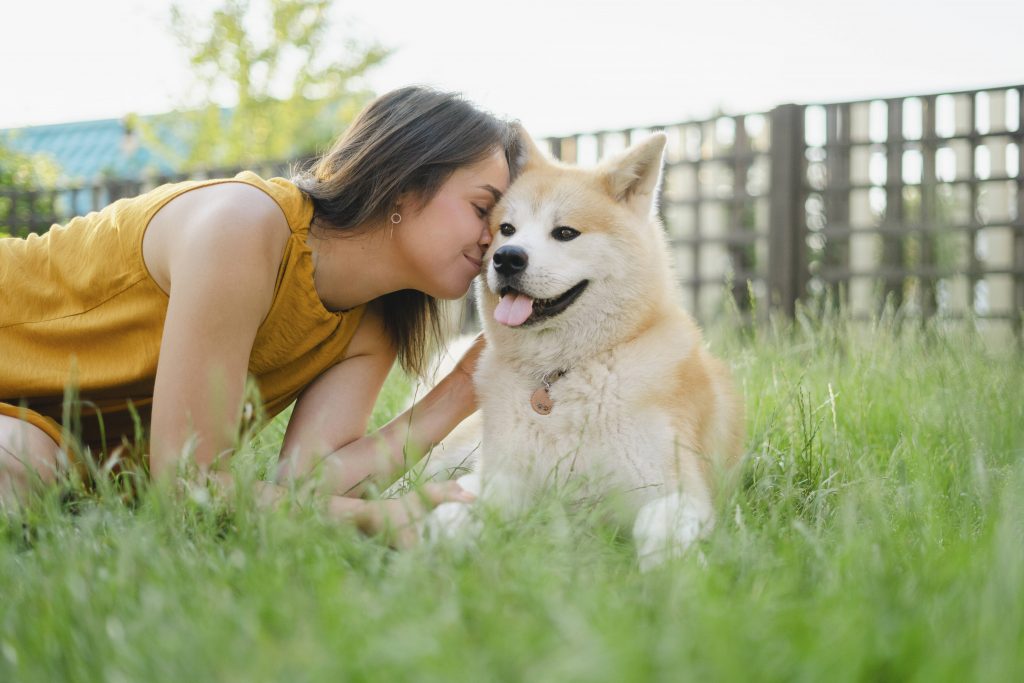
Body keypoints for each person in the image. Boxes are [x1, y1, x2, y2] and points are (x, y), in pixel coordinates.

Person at [0, 86, 519, 543]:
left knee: (28, 460)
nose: (491, 238)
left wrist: (465, 386)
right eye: (482, 209)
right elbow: (186, 486)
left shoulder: (372, 320)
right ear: (404, 184)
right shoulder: (244, 226)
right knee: (20, 463)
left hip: (45, 437)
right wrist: (370, 519)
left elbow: (305, 486)